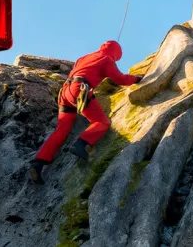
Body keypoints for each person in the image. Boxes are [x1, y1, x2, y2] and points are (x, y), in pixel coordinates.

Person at [29, 40, 139, 184]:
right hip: (79, 89)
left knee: (61, 130)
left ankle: (38, 163)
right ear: (116, 53)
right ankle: (81, 144)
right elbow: (120, 79)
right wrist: (137, 78)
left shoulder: (85, 57)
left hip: (65, 92)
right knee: (101, 122)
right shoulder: (107, 60)